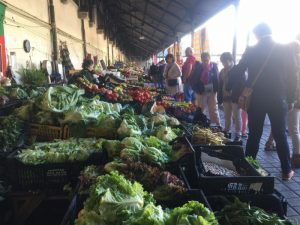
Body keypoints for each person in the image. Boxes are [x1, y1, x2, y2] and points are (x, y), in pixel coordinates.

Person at [233, 23, 298, 180]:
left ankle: (247, 168)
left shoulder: (251, 50)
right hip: (278, 98)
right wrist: (290, 99)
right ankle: (286, 171)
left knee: (254, 134)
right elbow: (293, 77)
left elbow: (237, 71)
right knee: (280, 133)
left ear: (256, 34)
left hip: (256, 98)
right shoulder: (285, 49)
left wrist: (244, 88)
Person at [218, 52, 244, 141]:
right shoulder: (222, 71)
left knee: (237, 116)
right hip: (225, 97)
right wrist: (220, 98)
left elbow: (242, 84)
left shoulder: (237, 70)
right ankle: (226, 130)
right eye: (222, 62)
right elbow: (220, 85)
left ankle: (238, 133)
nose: (223, 64)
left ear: (230, 60)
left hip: (235, 97)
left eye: (225, 62)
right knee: (226, 115)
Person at [190, 52, 220, 126]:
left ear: (210, 59)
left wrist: (217, 89)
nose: (205, 62)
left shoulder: (214, 66)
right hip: (201, 91)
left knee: (213, 108)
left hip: (212, 91)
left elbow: (217, 79)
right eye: (203, 60)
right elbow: (193, 80)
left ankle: (217, 124)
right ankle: (201, 123)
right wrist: (198, 90)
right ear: (201, 60)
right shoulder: (198, 67)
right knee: (201, 108)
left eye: (207, 60)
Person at [287, 38, 300, 168]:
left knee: (293, 129)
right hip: (295, 100)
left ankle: (297, 155)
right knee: (293, 128)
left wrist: (292, 100)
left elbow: (296, 85)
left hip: (294, 101)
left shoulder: (295, 63)